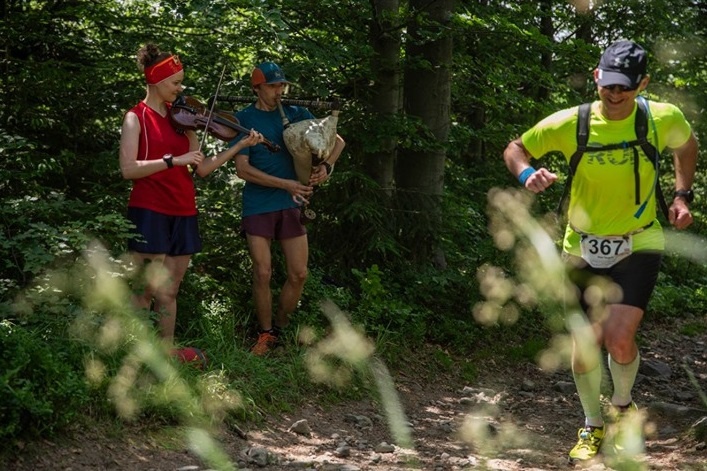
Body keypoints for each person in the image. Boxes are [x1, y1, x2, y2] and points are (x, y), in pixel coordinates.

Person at [503, 40, 698, 462]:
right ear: (596, 76)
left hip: (639, 239)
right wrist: (527, 175)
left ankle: (623, 408)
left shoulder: (662, 118)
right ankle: (592, 424)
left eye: (624, 88)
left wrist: (683, 196)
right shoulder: (572, 122)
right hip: (581, 246)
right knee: (585, 347)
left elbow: (686, 146)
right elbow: (515, 149)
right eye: (607, 84)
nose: (613, 94)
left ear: (642, 83)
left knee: (620, 339)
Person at [119, 43, 263, 346]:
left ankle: (166, 353)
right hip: (149, 210)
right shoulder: (136, 117)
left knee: (169, 291)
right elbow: (129, 169)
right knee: (145, 290)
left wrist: (237, 146)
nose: (180, 88)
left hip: (183, 210)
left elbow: (203, 168)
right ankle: (135, 356)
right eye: (175, 82)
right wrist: (173, 160)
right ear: (156, 82)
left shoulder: (185, 120)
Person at [231, 61, 345, 356]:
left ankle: (280, 329)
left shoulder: (298, 114)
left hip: (293, 204)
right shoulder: (244, 118)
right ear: (257, 88)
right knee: (263, 271)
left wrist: (327, 168)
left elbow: (338, 141)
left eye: (281, 85)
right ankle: (265, 334)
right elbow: (243, 170)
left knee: (299, 274)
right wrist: (286, 184)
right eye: (272, 86)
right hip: (258, 204)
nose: (279, 91)